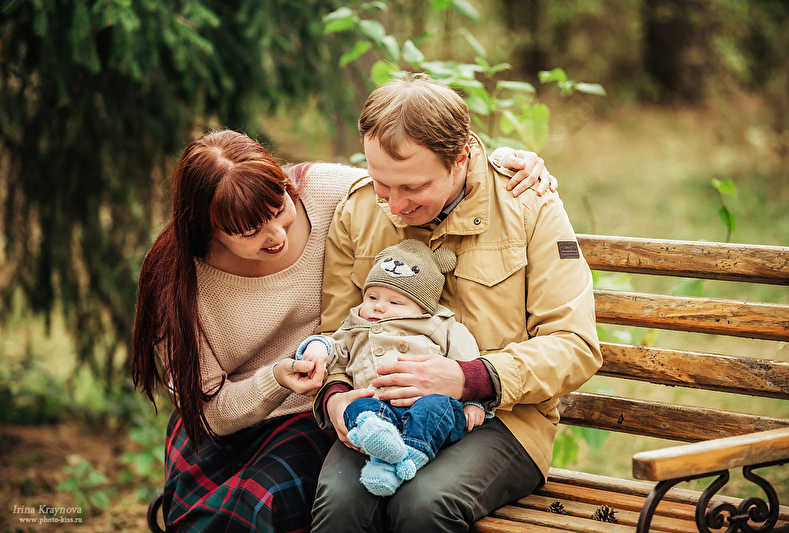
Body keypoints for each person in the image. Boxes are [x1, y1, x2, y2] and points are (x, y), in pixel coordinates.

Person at [129, 128, 556, 532]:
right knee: (214, 518)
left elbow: (418, 179)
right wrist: (275, 379)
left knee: (263, 502)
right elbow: (209, 411)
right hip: (227, 426)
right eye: (249, 232)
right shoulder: (176, 281)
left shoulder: (324, 191)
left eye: (280, 210)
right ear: (207, 230)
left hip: (319, 412)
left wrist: (499, 164)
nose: (276, 234)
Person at [311, 74, 603, 533]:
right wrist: (332, 397)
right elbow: (334, 336)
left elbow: (574, 344)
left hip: (502, 421)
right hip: (377, 409)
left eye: (413, 188)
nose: (394, 205)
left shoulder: (530, 205)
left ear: (462, 156)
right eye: (382, 184)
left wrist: (469, 377)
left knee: (424, 505)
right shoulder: (360, 210)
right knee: (340, 505)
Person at [296, 239, 492, 497]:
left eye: (395, 302)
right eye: (372, 297)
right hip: (379, 407)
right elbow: (334, 347)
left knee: (438, 407)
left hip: (426, 406)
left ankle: (403, 457)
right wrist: (317, 349)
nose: (378, 306)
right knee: (355, 408)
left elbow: (467, 363)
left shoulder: (439, 325)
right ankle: (382, 448)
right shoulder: (356, 326)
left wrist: (474, 403)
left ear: (422, 308)